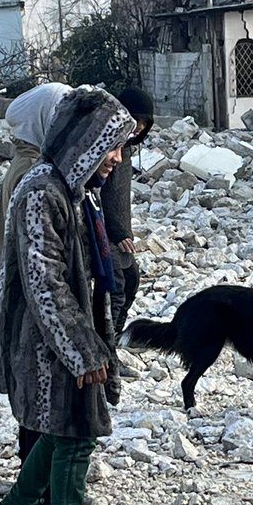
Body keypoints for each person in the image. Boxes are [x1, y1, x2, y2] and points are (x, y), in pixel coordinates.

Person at [0, 86, 136, 505]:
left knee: (59, 427)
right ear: (86, 143)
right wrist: (82, 349)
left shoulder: (72, 192)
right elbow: (45, 281)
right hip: (44, 340)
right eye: (112, 145)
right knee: (76, 430)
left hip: (65, 335)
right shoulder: (40, 192)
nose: (117, 158)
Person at [0, 83, 73, 464]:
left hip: (24, 284)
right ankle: (34, 491)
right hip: (29, 290)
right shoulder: (31, 172)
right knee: (39, 392)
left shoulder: (30, 163)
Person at [103, 87, 155, 336]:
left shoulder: (126, 149)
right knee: (115, 290)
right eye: (137, 121)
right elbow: (99, 195)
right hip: (105, 233)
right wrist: (117, 231)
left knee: (131, 281)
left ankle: (111, 344)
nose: (139, 128)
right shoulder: (104, 149)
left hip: (120, 234)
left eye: (144, 124)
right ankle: (102, 355)